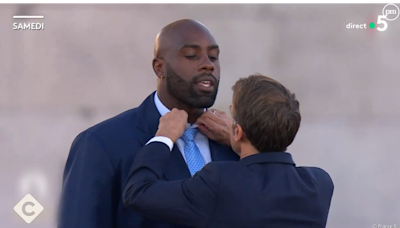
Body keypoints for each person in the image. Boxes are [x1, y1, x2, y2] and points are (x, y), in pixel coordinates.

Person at [57, 19, 239, 228]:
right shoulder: (101, 144)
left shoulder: (237, 146)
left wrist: (242, 145)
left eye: (214, 57)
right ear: (159, 67)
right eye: (191, 55)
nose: (208, 64)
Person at [123, 74, 335, 228]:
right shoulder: (320, 184)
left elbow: (138, 193)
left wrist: (165, 136)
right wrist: (239, 141)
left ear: (239, 130)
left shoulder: (219, 180)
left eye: (232, 116)